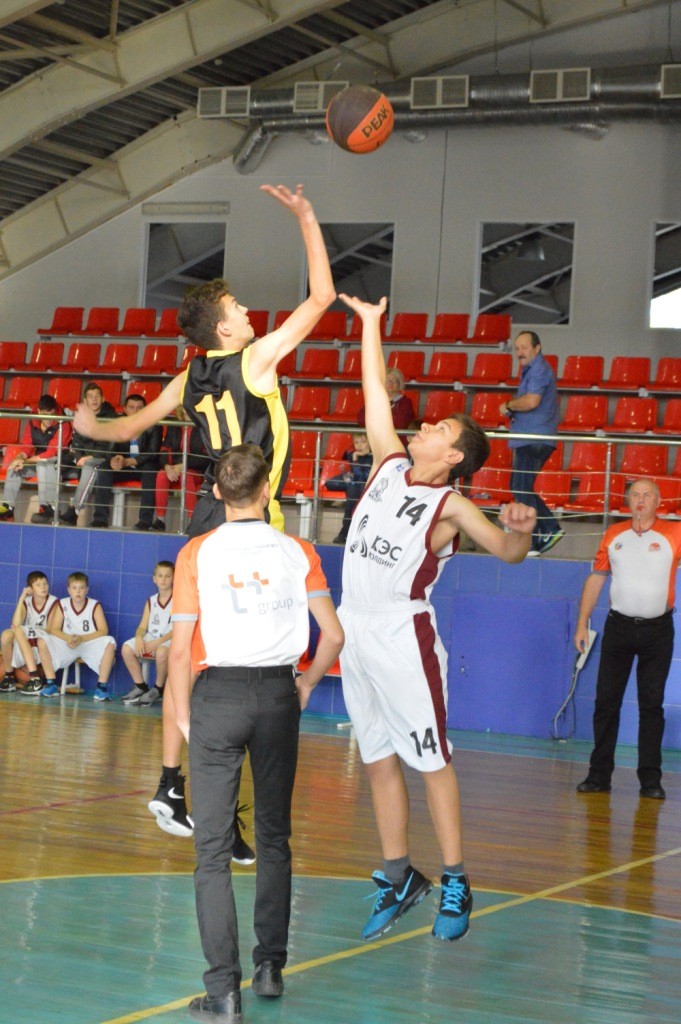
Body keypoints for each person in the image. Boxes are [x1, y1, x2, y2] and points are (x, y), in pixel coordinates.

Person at [72, 182, 335, 842]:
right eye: (238, 306)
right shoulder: (256, 360)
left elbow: (125, 427)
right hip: (250, 524)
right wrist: (307, 218)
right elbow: (321, 299)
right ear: (225, 328)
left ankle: (171, 781)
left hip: (204, 521)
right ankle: (221, 807)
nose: (247, 310)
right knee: (246, 680)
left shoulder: (189, 377)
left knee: (191, 658)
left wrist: (88, 426)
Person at [337, 294, 536, 944]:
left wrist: (519, 531)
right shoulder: (388, 463)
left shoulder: (449, 505)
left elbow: (505, 551)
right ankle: (400, 875)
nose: (423, 425)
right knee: (376, 759)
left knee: (430, 759)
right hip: (354, 629)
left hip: (403, 634)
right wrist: (371, 326)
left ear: (453, 456)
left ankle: (456, 878)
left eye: (440, 429)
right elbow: (374, 389)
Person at [169, 443, 344, 1021]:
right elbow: (334, 636)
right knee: (273, 837)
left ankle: (223, 991)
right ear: (267, 490)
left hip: (217, 696)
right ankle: (270, 967)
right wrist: (306, 684)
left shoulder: (196, 552)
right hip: (277, 696)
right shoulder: (299, 551)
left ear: (218, 493)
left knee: (211, 851)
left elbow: (178, 653)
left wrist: (185, 719)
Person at [574, 478, 681, 801]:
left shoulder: (675, 533)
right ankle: (598, 775)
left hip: (657, 631)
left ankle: (650, 780)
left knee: (651, 705)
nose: (641, 500)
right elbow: (596, 578)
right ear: (628, 500)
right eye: (635, 495)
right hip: (618, 628)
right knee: (606, 702)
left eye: (647, 495)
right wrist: (582, 623)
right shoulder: (613, 534)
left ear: (658, 501)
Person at [498, 331, 562, 556]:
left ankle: (546, 530)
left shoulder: (538, 369)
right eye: (517, 348)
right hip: (530, 437)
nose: (519, 352)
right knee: (519, 486)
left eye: (524, 347)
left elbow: (532, 401)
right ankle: (540, 535)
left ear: (537, 348)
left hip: (533, 438)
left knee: (520, 487)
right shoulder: (531, 370)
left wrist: (509, 405)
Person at [88, 393, 162, 529]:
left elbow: (152, 453)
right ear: (125, 409)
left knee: (151, 470)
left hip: (143, 466)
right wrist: (114, 459)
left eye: (139, 408)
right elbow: (109, 450)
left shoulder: (154, 426)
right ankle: (100, 518)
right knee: (104, 467)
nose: (135, 411)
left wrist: (128, 461)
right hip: (122, 466)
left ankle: (145, 521)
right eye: (132, 407)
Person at [39, 572, 116, 701]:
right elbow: (54, 629)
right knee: (42, 641)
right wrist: (67, 638)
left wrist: (82, 638)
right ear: (68, 590)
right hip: (67, 643)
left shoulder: (94, 605)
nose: (78, 591)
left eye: (81, 587)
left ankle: (101, 687)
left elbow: (103, 630)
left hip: (88, 644)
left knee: (110, 642)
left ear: (87, 590)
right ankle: (51, 683)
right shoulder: (62, 603)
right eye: (74, 588)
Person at [0, 395, 72, 524]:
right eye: (45, 415)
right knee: (14, 468)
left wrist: (25, 461)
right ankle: (7, 508)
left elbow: (51, 452)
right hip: (39, 461)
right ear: (39, 411)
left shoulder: (64, 423)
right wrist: (19, 458)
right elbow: (27, 446)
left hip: (61, 462)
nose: (49, 419)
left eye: (52, 414)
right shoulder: (33, 421)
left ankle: (48, 507)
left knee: (42, 464)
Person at [53, 381, 117, 526]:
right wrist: (78, 457)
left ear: (103, 399)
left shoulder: (111, 417)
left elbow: (109, 446)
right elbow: (76, 443)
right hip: (83, 459)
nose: (94, 399)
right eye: (90, 396)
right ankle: (49, 508)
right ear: (85, 401)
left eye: (97, 396)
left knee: (90, 466)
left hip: (102, 459)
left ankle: (73, 510)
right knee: (54, 463)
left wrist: (89, 457)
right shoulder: (81, 417)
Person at [121, 560, 175, 707]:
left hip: (169, 639)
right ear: (154, 579)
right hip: (152, 638)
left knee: (162, 651)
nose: (163, 579)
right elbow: (142, 627)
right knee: (126, 648)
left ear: (173, 578)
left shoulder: (178, 600)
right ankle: (140, 686)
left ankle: (158, 688)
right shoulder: (151, 601)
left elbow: (177, 629)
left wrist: (157, 643)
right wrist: (139, 638)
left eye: (167, 576)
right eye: (160, 576)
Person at [150, 407, 210, 532]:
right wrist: (167, 466)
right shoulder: (174, 425)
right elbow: (165, 449)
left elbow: (205, 457)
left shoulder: (204, 427)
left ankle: (192, 522)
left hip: (197, 470)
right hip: (174, 467)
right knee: (161, 475)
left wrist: (183, 465)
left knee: (186, 475)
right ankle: (160, 520)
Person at [0, 571, 60, 696]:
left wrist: (26, 631)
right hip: (26, 637)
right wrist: (22, 598)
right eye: (38, 585)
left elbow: (50, 630)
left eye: (45, 584)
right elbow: (15, 624)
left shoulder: (53, 601)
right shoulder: (27, 601)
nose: (43, 587)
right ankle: (9, 677)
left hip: (45, 639)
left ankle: (35, 678)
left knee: (20, 630)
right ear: (30, 589)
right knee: (6, 635)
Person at [326, 431, 372, 545]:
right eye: (356, 442)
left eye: (363, 442)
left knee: (353, 487)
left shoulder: (374, 456)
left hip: (366, 486)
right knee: (336, 483)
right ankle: (347, 533)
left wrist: (355, 460)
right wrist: (350, 476)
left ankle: (344, 532)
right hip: (356, 484)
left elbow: (363, 477)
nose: (359, 445)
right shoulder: (351, 454)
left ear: (370, 442)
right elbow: (329, 483)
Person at [358, 366, 415, 440]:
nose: (390, 383)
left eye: (395, 381)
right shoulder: (374, 400)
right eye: (387, 380)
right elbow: (362, 420)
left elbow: (401, 424)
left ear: (399, 384)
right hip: (375, 438)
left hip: (397, 439)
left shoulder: (405, 403)